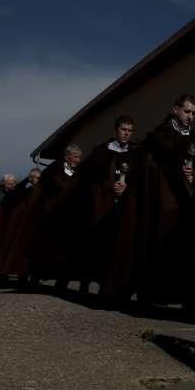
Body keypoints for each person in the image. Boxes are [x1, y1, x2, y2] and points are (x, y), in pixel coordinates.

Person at [137, 95, 195, 310]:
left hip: (189, 202)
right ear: (175, 110)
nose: (190, 117)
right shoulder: (160, 136)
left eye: (193, 113)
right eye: (187, 112)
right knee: (161, 244)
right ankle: (152, 293)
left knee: (190, 248)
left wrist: (194, 176)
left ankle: (189, 298)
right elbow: (151, 167)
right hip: (165, 199)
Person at [76, 116, 138, 303]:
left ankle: (116, 289)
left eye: (129, 130)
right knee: (100, 247)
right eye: (123, 129)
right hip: (103, 208)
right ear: (116, 130)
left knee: (120, 249)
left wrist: (128, 187)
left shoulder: (135, 154)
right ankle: (93, 285)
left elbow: (139, 179)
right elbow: (89, 178)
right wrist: (109, 187)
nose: (126, 133)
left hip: (124, 208)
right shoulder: (101, 152)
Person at [29, 144, 83, 288]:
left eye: (79, 157)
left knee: (66, 251)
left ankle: (62, 280)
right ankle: (36, 276)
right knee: (46, 248)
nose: (78, 160)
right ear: (67, 156)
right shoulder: (54, 170)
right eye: (76, 157)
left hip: (70, 217)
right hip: (52, 215)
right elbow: (46, 190)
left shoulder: (80, 173)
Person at [0, 167, 42, 286]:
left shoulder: (40, 191)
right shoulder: (24, 190)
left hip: (33, 226)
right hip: (18, 226)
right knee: (12, 252)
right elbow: (12, 199)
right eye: (37, 178)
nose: (38, 180)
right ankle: (4, 275)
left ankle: (26, 277)